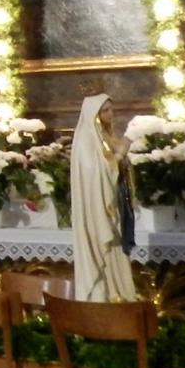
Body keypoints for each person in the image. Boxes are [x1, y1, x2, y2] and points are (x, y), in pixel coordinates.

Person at [69, 94, 138, 302]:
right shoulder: (86, 138)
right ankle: (101, 296)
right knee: (102, 251)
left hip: (110, 206)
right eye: (105, 110)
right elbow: (94, 172)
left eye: (111, 109)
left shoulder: (103, 135)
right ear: (94, 114)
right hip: (96, 209)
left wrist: (122, 158)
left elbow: (111, 164)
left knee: (116, 253)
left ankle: (119, 293)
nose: (111, 114)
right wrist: (120, 155)